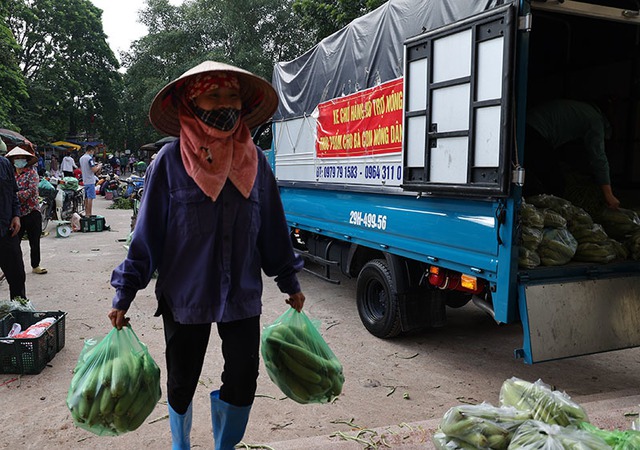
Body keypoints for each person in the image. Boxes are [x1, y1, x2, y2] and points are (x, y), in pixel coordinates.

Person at [108, 61, 305, 450]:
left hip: (242, 293)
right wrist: (124, 292)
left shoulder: (256, 163)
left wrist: (289, 279)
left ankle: (224, 445)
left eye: (232, 96)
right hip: (186, 294)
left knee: (244, 379)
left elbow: (272, 227)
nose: (225, 104)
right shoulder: (168, 163)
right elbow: (146, 236)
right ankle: (181, 444)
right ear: (191, 104)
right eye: (214, 96)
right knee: (181, 379)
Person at [525, 99, 620, 209]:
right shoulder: (595, 120)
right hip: (534, 132)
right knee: (556, 184)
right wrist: (608, 195)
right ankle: (547, 217)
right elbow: (598, 157)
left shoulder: (584, 110)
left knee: (537, 177)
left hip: (528, 127)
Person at [6, 147, 47, 275]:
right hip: (16, 214)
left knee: (34, 241)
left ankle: (36, 265)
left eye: (22, 158)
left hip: (32, 212)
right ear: (12, 161)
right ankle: (15, 267)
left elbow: (31, 192)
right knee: (14, 242)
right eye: (16, 158)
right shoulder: (10, 174)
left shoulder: (32, 173)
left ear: (27, 160)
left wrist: (12, 196)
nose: (19, 160)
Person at [0, 139, 27, 299]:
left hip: (7, 229)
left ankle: (19, 312)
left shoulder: (4, 165)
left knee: (17, 275)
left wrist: (16, 215)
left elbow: (13, 193)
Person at [79, 145, 102, 216]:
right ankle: (89, 214)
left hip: (84, 180)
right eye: (93, 151)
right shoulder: (89, 158)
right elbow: (94, 170)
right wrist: (99, 166)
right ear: (91, 151)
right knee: (90, 198)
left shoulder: (81, 158)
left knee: (86, 198)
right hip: (90, 181)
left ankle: (86, 213)